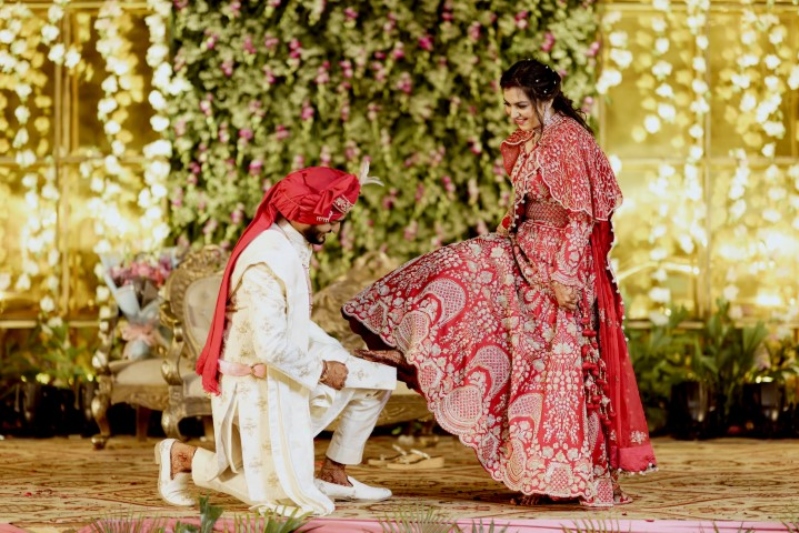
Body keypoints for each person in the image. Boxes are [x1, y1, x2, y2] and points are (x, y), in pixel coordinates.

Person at [342, 59, 657, 507]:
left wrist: (564, 276)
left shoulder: (567, 140)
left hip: (556, 270)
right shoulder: (535, 137)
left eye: (520, 105)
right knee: (465, 273)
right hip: (524, 250)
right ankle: (416, 345)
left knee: (551, 373)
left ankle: (567, 477)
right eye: (508, 105)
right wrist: (510, 229)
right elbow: (526, 202)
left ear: (546, 98)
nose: (513, 113)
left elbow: (581, 218)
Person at [155, 165, 395, 516]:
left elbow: (293, 322)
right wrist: (323, 369)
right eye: (330, 219)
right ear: (303, 213)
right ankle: (183, 457)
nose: (334, 228)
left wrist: (343, 356)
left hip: (286, 370)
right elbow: (270, 346)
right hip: (257, 387)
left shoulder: (291, 245)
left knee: (378, 377)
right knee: (294, 501)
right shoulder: (267, 262)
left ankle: (335, 473)